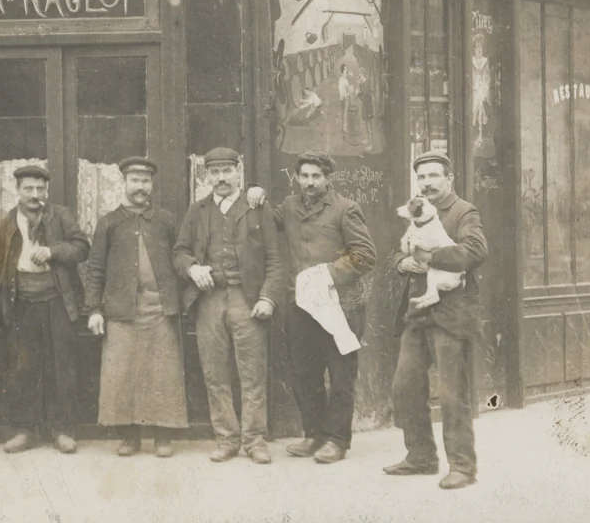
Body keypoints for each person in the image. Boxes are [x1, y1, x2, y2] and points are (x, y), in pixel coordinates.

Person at [248, 151, 376, 463]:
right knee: (304, 374)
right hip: (301, 306)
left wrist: (327, 274)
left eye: (316, 176)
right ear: (296, 178)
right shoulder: (289, 207)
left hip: (340, 306)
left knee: (341, 374)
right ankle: (314, 434)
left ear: (328, 179)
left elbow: (365, 255)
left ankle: (337, 440)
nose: (309, 182)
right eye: (304, 176)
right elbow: (264, 222)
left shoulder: (345, 209)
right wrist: (255, 192)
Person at [172, 147, 286, 464]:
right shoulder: (197, 210)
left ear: (239, 173)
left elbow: (275, 260)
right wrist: (193, 268)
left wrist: (267, 297)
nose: (221, 178)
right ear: (206, 176)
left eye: (227, 171)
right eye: (214, 172)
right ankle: (226, 438)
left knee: (252, 373)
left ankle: (255, 440)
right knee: (214, 373)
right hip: (209, 300)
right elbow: (179, 252)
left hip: (246, 299)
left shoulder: (256, 207)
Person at [384, 149, 488, 490]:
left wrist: (429, 257)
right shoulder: (417, 210)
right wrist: (402, 263)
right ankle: (421, 458)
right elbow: (399, 250)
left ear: (449, 178)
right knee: (405, 387)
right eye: (422, 177)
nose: (427, 182)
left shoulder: (463, 212)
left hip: (451, 315)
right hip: (417, 312)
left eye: (433, 175)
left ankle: (462, 467)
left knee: (451, 393)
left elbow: (475, 251)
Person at [84, 157, 189, 458]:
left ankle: (163, 436)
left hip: (160, 310)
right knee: (122, 374)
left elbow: (179, 257)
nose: (140, 186)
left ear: (151, 184)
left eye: (145, 181)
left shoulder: (166, 220)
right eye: (135, 180)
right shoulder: (109, 223)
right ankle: (129, 436)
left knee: (163, 373)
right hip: (121, 310)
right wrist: (93, 309)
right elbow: (95, 269)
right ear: (124, 183)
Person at [0, 166, 91, 455]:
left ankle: (62, 430)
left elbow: (82, 248)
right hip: (22, 303)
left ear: (46, 191)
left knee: (61, 366)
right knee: (23, 368)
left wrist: (52, 251)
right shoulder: (9, 221)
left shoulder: (60, 215)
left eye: (40, 189)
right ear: (17, 191)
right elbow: (1, 262)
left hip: (58, 301)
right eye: (28, 189)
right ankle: (24, 430)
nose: (35, 194)